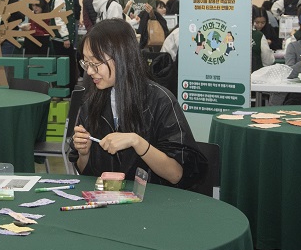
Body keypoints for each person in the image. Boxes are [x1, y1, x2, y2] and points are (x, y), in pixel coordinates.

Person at [69, 19, 207, 189]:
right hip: (107, 201)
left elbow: (176, 174)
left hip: (155, 204)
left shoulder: (160, 101)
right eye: (86, 63)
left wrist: (137, 142)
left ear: (121, 57)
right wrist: (84, 153)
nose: (89, 71)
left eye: (95, 63)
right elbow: (86, 173)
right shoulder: (91, 103)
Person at [50, 0, 78, 92]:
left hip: (64, 39)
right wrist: (65, 37)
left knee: (69, 66)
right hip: (60, 40)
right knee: (65, 67)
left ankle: (68, 91)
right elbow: (59, 19)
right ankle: (64, 91)